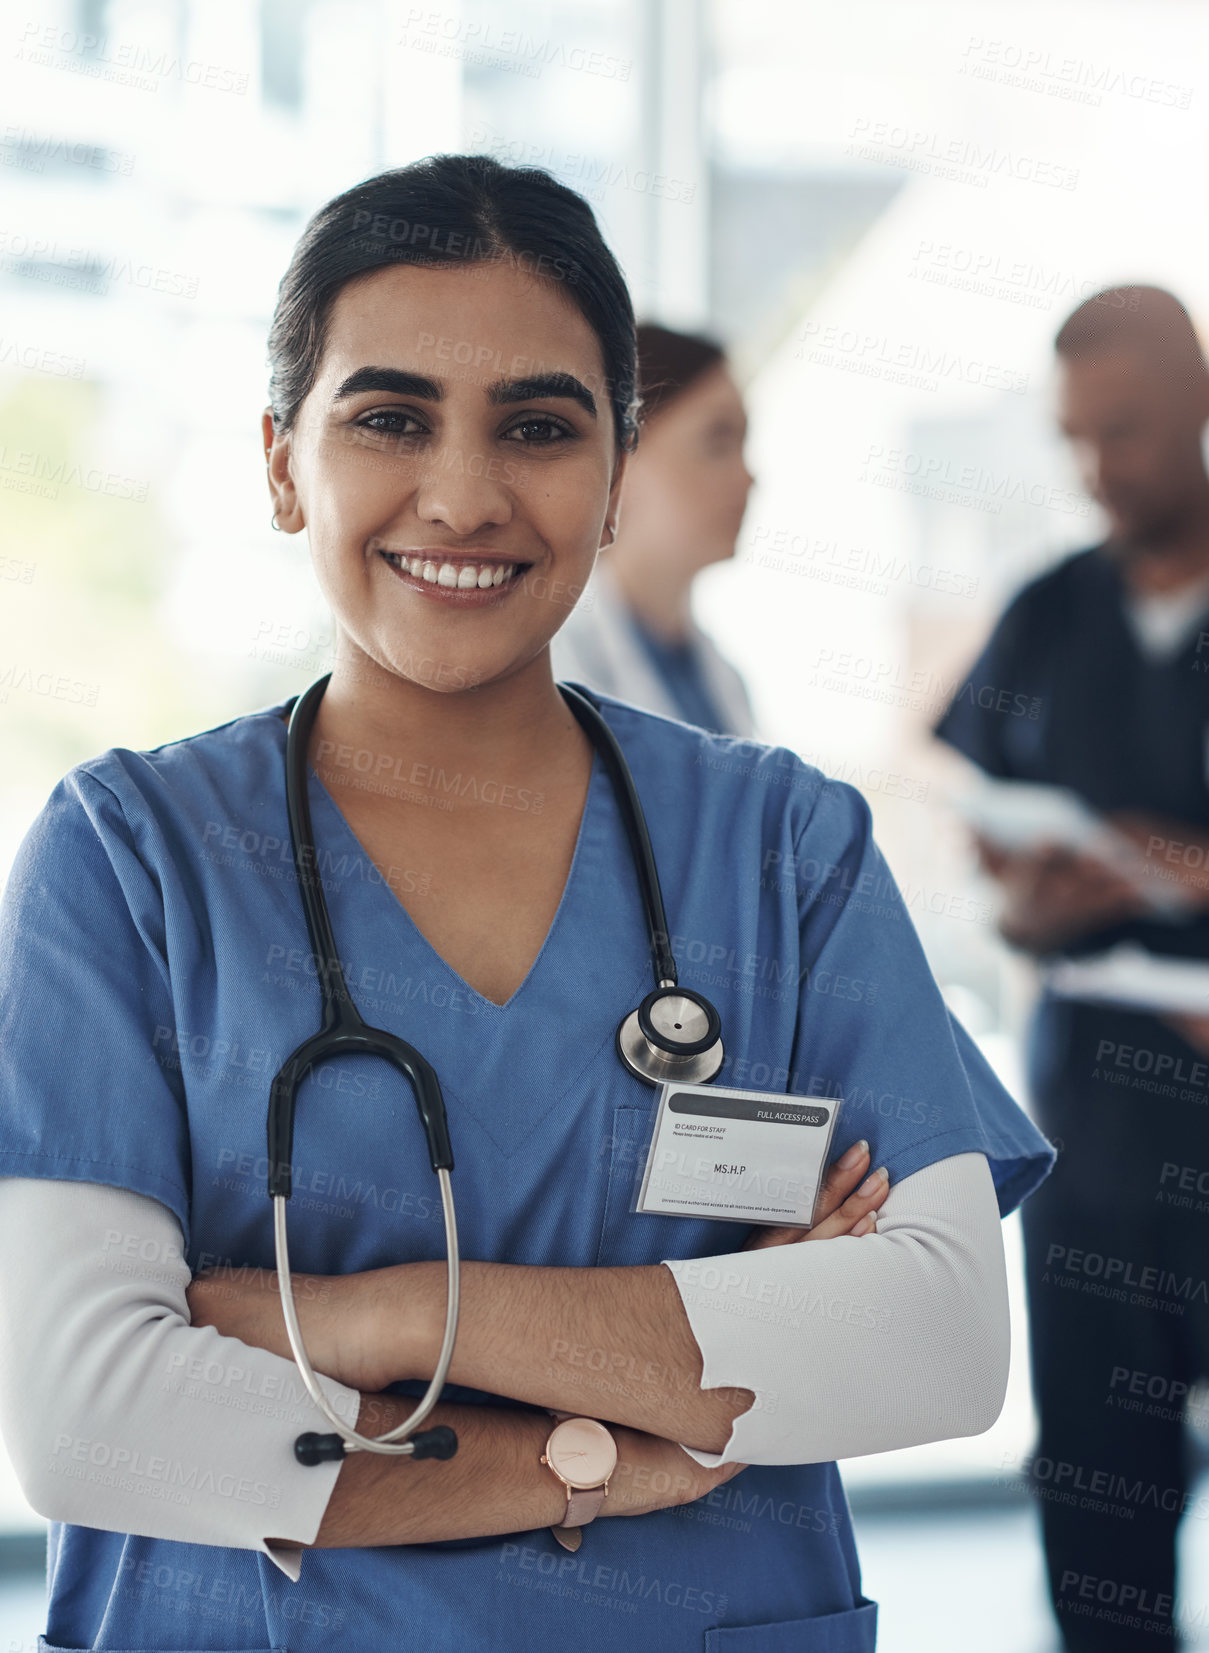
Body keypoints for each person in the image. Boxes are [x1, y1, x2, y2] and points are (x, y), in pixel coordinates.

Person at [0, 154, 1053, 1652]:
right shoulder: (131, 860)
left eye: (539, 425)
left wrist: (397, 1316)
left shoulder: (782, 847)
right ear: (282, 459)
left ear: (616, 472)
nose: (465, 492)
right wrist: (612, 1463)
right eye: (388, 416)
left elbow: (933, 1344)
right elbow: (97, 1416)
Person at [933, 285, 1209, 1652]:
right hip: (1096, 1092)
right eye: (1076, 439)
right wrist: (1041, 900)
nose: (1102, 468)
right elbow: (993, 849)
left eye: (1132, 430)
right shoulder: (1047, 611)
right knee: (1103, 1452)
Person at [551, 323, 757, 734]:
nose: (748, 478)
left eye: (743, 444)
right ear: (618, 458)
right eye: (717, 442)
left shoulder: (722, 678)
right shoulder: (557, 662)